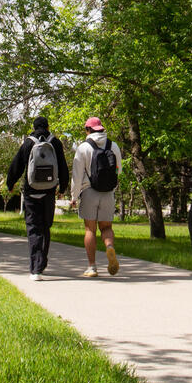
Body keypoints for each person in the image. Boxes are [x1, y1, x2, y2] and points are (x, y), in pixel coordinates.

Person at [6, 115, 69, 281]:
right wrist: (62, 187)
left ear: (34, 128)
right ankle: (42, 262)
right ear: (48, 127)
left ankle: (35, 269)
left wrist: (10, 183)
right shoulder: (55, 142)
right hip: (49, 191)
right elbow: (62, 166)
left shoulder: (28, 142)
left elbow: (17, 164)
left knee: (33, 227)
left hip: (31, 190)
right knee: (45, 227)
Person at [70, 116, 122, 278]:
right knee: (106, 228)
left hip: (89, 192)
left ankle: (92, 267)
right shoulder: (113, 146)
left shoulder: (83, 148)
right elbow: (118, 171)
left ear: (88, 130)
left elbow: (77, 176)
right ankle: (109, 247)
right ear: (101, 129)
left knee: (90, 229)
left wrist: (73, 196)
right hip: (108, 193)